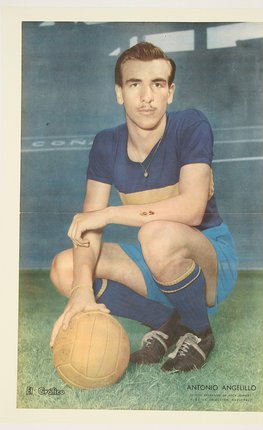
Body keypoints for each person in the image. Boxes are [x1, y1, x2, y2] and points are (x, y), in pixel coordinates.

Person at [50, 42, 237, 372]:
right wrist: (81, 290)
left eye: (158, 84)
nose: (147, 96)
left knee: (156, 235)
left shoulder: (191, 126)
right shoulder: (106, 144)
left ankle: (200, 331)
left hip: (210, 260)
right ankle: (166, 322)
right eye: (135, 84)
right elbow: (87, 230)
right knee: (65, 267)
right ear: (120, 93)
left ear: (171, 92)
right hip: (154, 260)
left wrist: (108, 213)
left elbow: (192, 210)